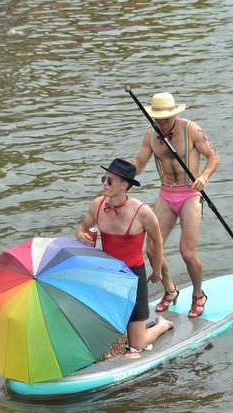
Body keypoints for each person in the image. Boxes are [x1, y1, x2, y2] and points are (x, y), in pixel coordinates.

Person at [131, 92, 220, 319]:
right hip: (166, 194)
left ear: (174, 113)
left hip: (190, 194)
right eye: (158, 119)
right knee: (151, 250)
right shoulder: (152, 136)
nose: (162, 123)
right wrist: (123, 172)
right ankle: (170, 290)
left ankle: (198, 295)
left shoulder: (191, 129)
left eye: (166, 119)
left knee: (187, 252)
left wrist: (204, 178)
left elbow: (213, 157)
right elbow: (139, 163)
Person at [76, 158, 175, 352]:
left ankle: (162, 324)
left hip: (133, 276)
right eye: (103, 179)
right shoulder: (97, 205)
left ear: (124, 185)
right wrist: (80, 234)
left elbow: (157, 241)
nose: (104, 183)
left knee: (136, 345)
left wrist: (156, 272)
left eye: (110, 180)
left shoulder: (142, 212)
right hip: (107, 274)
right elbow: (82, 227)